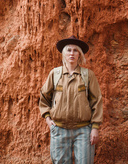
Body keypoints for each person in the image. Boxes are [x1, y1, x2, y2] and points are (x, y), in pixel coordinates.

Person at [39, 36, 103, 164]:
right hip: (59, 129)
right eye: (68, 50)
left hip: (84, 131)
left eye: (75, 50)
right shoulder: (55, 74)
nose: (72, 53)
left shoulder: (87, 75)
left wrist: (95, 128)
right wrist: (48, 120)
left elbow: (97, 101)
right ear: (63, 54)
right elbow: (44, 98)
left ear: (79, 54)